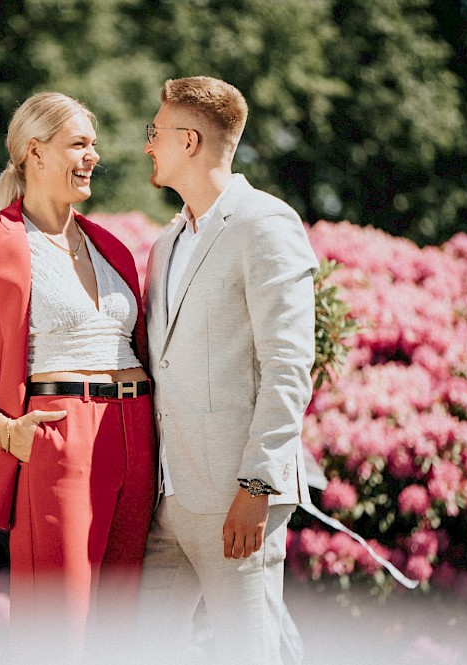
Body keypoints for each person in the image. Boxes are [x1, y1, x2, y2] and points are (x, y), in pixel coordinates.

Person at [0, 92, 156, 661]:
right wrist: (1, 430)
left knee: (122, 632)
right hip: (57, 436)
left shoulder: (112, 246)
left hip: (136, 433)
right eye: (78, 144)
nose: (92, 155)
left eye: (94, 144)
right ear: (35, 152)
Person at [137, 76, 319, 664]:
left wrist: (257, 485)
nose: (148, 146)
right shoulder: (165, 243)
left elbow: (288, 364)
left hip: (238, 504)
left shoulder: (266, 224)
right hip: (168, 500)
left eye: (156, 132)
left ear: (188, 140)